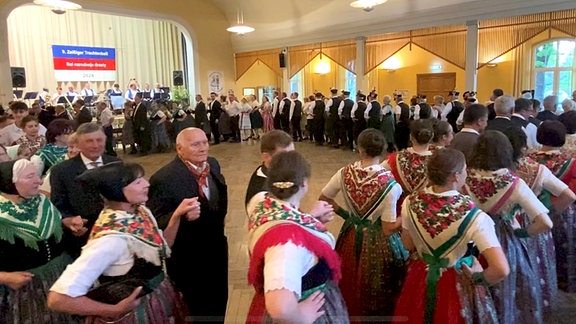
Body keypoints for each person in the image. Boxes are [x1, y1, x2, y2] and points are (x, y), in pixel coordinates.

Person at [47, 161, 193, 323]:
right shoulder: (111, 239)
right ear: (116, 190)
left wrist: (176, 216)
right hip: (137, 314)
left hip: (159, 299)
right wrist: (114, 310)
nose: (147, 184)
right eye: (138, 182)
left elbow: (162, 248)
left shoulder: (139, 212)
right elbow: (58, 298)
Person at [394, 148, 509, 323]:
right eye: (465, 170)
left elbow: (408, 244)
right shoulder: (476, 216)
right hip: (457, 281)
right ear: (456, 176)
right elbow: (501, 269)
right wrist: (478, 277)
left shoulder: (410, 201)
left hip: (421, 276)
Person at [246, 151, 349, 323]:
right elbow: (280, 307)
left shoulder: (265, 208)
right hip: (309, 311)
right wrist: (302, 316)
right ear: (304, 184)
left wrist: (311, 218)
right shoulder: (287, 243)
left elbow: (283, 223)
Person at [464, 130, 552, 323]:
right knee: (507, 288)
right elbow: (545, 222)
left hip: (469, 239)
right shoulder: (513, 183)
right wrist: (522, 233)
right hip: (503, 240)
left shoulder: (464, 178)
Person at [320, 129, 407, 320]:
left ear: (360, 150)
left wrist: (347, 215)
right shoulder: (391, 185)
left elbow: (324, 198)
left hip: (350, 235)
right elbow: (388, 227)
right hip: (378, 243)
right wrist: (406, 218)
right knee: (379, 287)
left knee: (348, 279)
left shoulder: (343, 173)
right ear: (383, 150)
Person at [147, 127, 228, 322]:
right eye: (195, 144)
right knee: (194, 311)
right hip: (188, 260)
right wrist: (180, 216)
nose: (203, 148)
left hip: (216, 252)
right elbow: (155, 222)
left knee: (218, 304)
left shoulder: (213, 166)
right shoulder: (164, 178)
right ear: (179, 149)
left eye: (205, 142)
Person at [504, 126, 576, 315]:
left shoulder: (497, 168)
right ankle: (535, 305)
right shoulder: (539, 166)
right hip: (534, 220)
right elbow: (569, 196)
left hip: (504, 223)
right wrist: (549, 213)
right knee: (537, 266)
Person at [0, 159, 76, 323]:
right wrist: (4, 277)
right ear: (9, 183)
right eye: (30, 177)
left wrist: (66, 223)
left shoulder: (42, 202)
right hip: (22, 289)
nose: (40, 181)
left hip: (58, 276)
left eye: (38, 175)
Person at [50, 123, 120, 257]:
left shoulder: (117, 164)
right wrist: (68, 221)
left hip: (116, 234)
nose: (95, 145)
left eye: (99, 140)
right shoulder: (61, 171)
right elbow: (58, 206)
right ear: (78, 144)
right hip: (84, 239)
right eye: (89, 141)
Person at [528, 120, 576, 293]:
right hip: (562, 210)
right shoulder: (570, 162)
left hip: (532, 210)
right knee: (563, 246)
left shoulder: (528, 159)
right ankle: (562, 280)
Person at [383, 119, 434, 214]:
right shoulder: (439, 159)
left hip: (400, 211)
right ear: (432, 136)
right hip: (428, 212)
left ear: (411, 137)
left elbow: (379, 173)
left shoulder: (395, 158)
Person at [245, 130, 294, 209]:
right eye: (284, 156)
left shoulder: (271, 174)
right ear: (266, 157)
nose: (291, 160)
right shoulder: (264, 196)